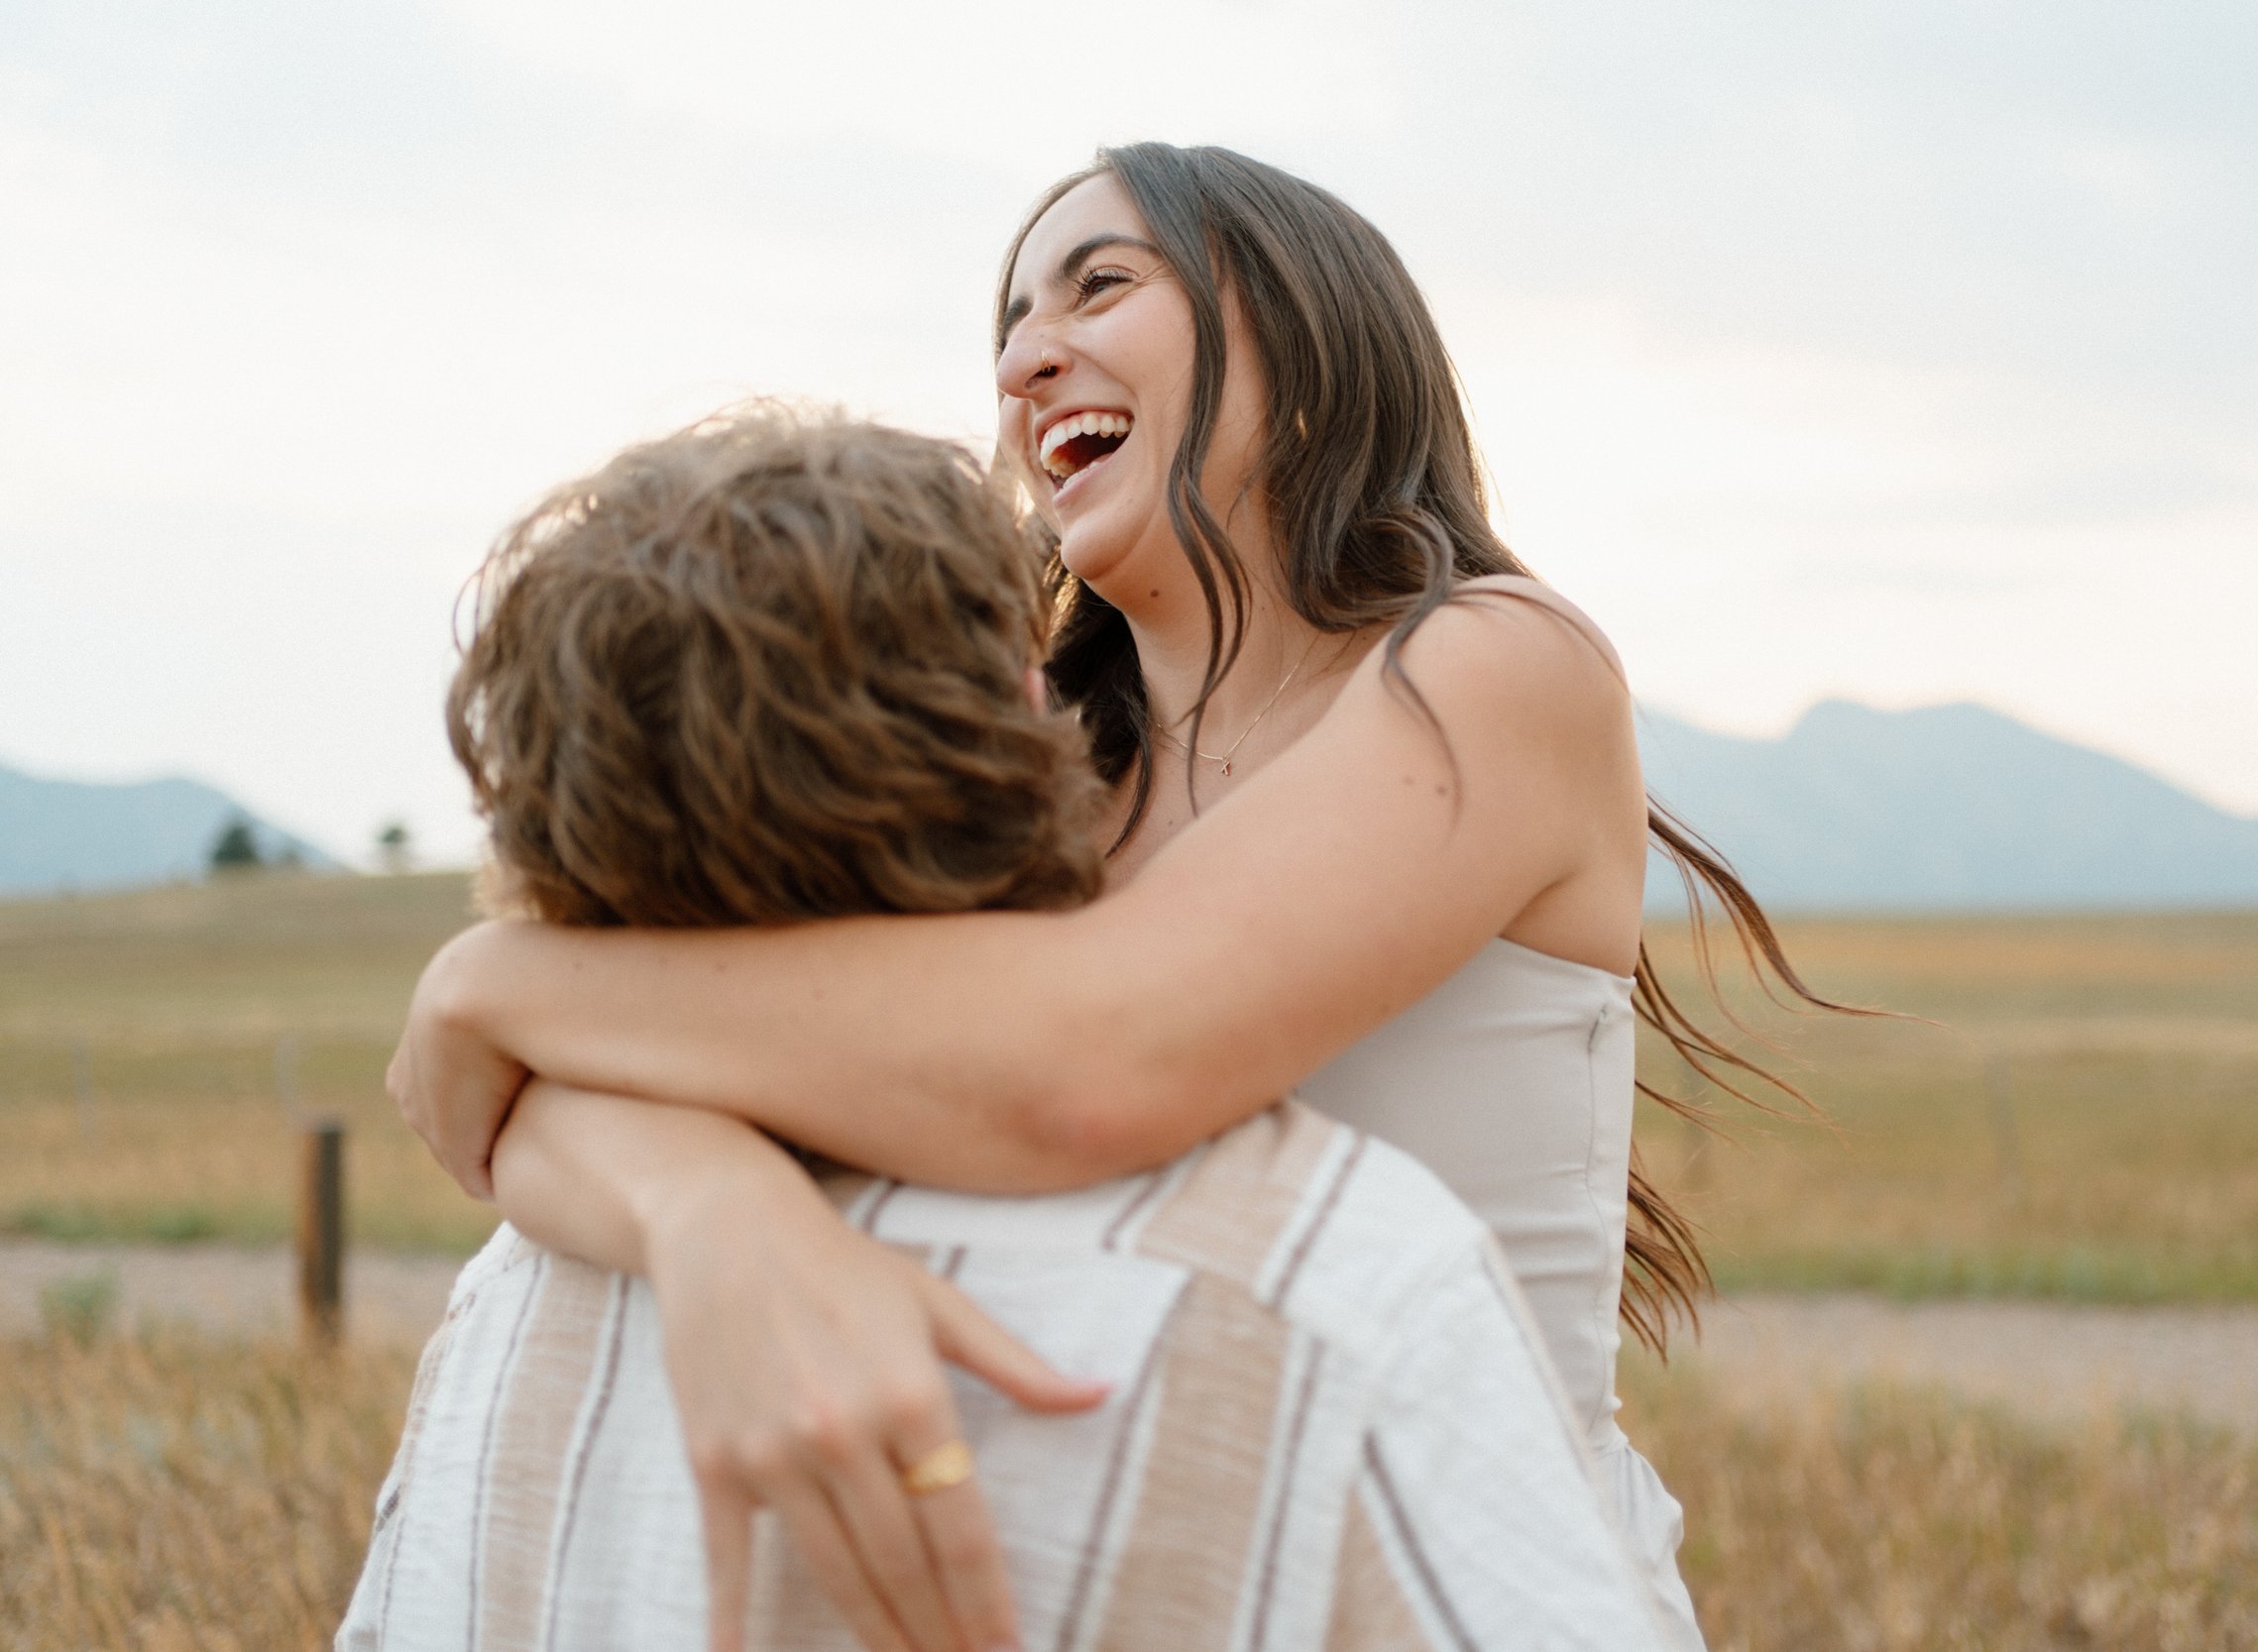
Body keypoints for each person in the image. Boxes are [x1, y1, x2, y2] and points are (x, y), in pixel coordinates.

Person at [393, 144, 1842, 1651]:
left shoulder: (1496, 665)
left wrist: (498, 990)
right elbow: (688, 1081)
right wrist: (711, 1213)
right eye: (1010, 324)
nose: (1026, 358)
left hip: (1454, 1565)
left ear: (1309, 324)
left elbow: (1097, 1065)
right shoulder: (1048, 780)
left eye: (1101, 283)